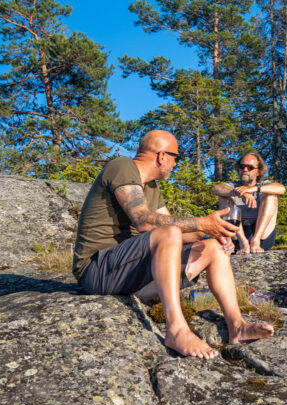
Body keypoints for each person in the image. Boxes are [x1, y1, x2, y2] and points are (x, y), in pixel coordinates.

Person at [72, 130, 274, 359]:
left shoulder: (151, 187)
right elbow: (145, 222)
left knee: (214, 248)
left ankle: (237, 326)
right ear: (161, 156)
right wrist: (201, 223)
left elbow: (178, 235)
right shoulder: (122, 166)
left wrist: (209, 234)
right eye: (175, 157)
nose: (176, 164)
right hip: (97, 271)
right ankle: (176, 329)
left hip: (132, 273)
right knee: (168, 232)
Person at [212, 152, 286, 254]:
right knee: (225, 196)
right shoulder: (233, 186)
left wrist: (253, 189)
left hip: (262, 237)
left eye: (250, 167)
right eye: (242, 167)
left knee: (271, 196)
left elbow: (281, 189)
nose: (245, 170)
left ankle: (255, 241)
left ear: (259, 172)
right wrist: (241, 193)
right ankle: (244, 243)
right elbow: (216, 188)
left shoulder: (264, 185)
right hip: (237, 236)